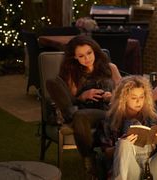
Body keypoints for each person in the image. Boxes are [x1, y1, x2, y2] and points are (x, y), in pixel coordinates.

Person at [46, 35, 121, 178]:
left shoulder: (110, 68)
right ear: (74, 57)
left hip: (105, 111)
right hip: (83, 110)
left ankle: (88, 160)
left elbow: (122, 93)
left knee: (77, 115)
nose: (87, 58)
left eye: (89, 53)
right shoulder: (72, 72)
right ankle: (90, 164)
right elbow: (71, 98)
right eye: (81, 56)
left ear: (94, 51)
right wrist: (83, 95)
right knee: (52, 82)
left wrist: (110, 96)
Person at [100, 75, 157, 180]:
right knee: (123, 143)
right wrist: (120, 145)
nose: (138, 101)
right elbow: (106, 153)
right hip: (130, 169)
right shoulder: (112, 120)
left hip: (153, 167)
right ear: (124, 99)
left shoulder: (152, 117)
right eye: (134, 98)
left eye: (141, 97)